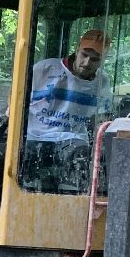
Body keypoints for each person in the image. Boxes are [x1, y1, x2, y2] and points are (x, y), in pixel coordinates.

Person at [22, 27, 113, 193]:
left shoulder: (102, 82)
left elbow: (102, 120)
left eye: (94, 59)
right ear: (77, 49)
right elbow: (15, 100)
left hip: (73, 141)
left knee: (87, 162)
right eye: (84, 55)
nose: (86, 63)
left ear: (103, 60)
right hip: (35, 137)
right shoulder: (44, 69)